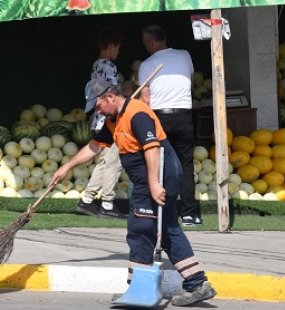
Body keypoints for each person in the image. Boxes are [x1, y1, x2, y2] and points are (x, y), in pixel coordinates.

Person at [52, 78, 216, 306]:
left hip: (158, 174)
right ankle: (197, 284)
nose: (97, 111)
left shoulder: (137, 114)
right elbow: (94, 147)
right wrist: (66, 167)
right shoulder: (113, 120)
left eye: (98, 105)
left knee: (140, 229)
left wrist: (154, 184)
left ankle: (138, 290)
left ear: (110, 96)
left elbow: (152, 149)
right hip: (152, 177)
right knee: (166, 228)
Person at [137, 25, 201, 226]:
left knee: (159, 164)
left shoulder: (146, 64)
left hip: (159, 117)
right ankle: (189, 213)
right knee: (185, 164)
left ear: (150, 42)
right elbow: (190, 84)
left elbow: (145, 99)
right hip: (183, 114)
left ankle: (162, 212)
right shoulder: (185, 56)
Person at [76, 27, 128, 219]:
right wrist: (128, 89)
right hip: (109, 120)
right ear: (112, 46)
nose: (118, 52)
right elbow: (113, 94)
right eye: (118, 48)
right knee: (113, 161)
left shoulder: (96, 65)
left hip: (97, 120)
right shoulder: (109, 66)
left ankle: (87, 200)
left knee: (105, 161)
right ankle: (107, 203)